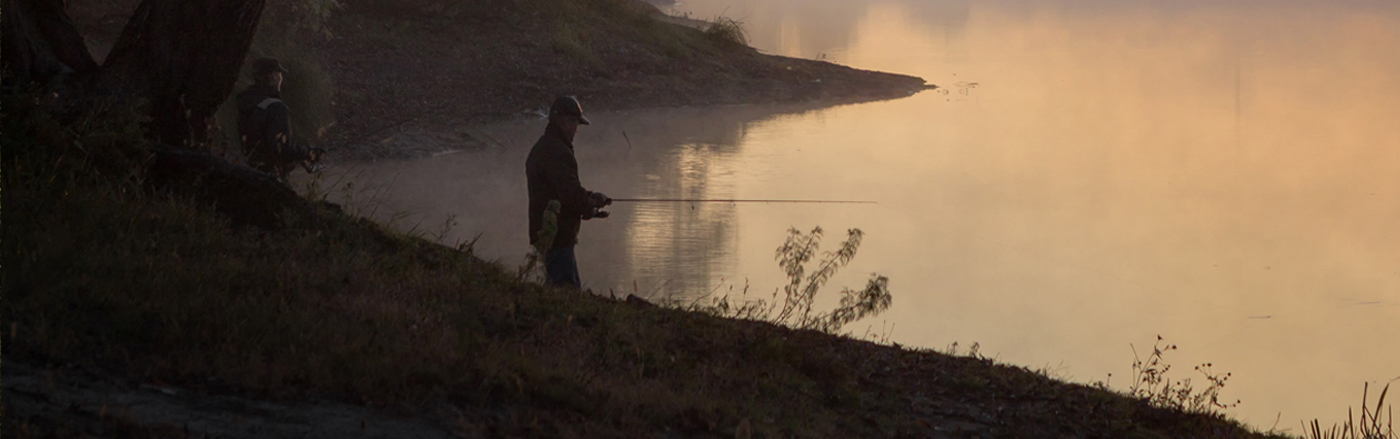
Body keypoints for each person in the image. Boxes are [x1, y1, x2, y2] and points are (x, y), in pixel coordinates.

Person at [526, 95, 612, 288]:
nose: (576, 130)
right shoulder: (558, 152)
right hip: (557, 235)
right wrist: (589, 206)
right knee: (566, 290)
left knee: (555, 289)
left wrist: (590, 199)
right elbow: (570, 195)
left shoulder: (545, 146)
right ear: (566, 120)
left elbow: (561, 190)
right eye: (576, 124)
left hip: (547, 231)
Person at [236, 57, 323, 180]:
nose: (280, 78)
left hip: (248, 174)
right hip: (270, 178)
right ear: (273, 75)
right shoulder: (275, 107)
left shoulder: (246, 103)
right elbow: (283, 150)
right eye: (280, 74)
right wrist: (308, 152)